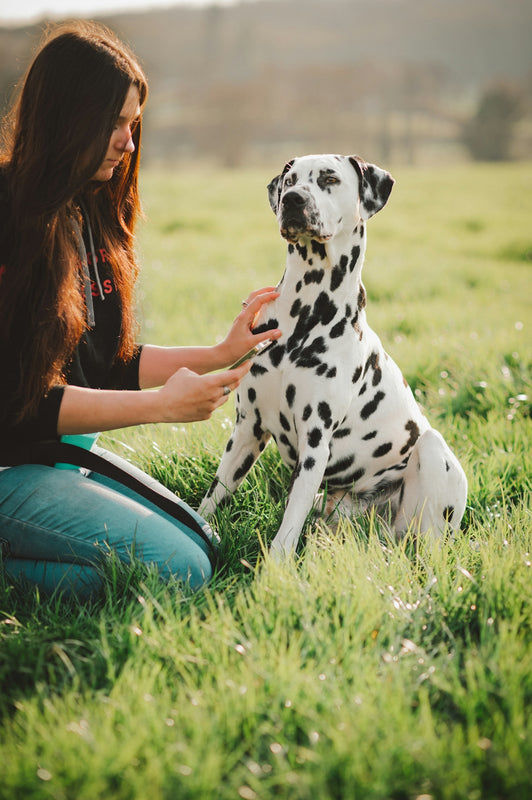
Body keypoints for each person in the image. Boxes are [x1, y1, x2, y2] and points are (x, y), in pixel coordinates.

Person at [0, 21, 281, 600]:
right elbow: (18, 403)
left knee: (202, 544)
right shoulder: (10, 221)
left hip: (54, 457)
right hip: (11, 460)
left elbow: (108, 364)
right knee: (182, 570)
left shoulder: (89, 211)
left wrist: (219, 354)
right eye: (114, 124)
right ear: (67, 117)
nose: (128, 142)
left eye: (133, 124)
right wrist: (157, 408)